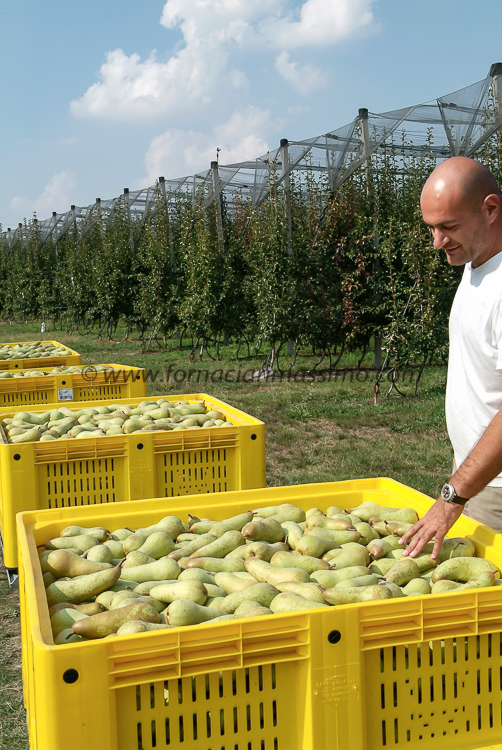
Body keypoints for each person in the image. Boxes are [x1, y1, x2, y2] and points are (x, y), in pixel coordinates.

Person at [400, 156, 502, 558]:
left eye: (449, 227)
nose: (437, 242)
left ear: (490, 209)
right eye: (431, 227)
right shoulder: (479, 261)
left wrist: (452, 496)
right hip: (478, 480)